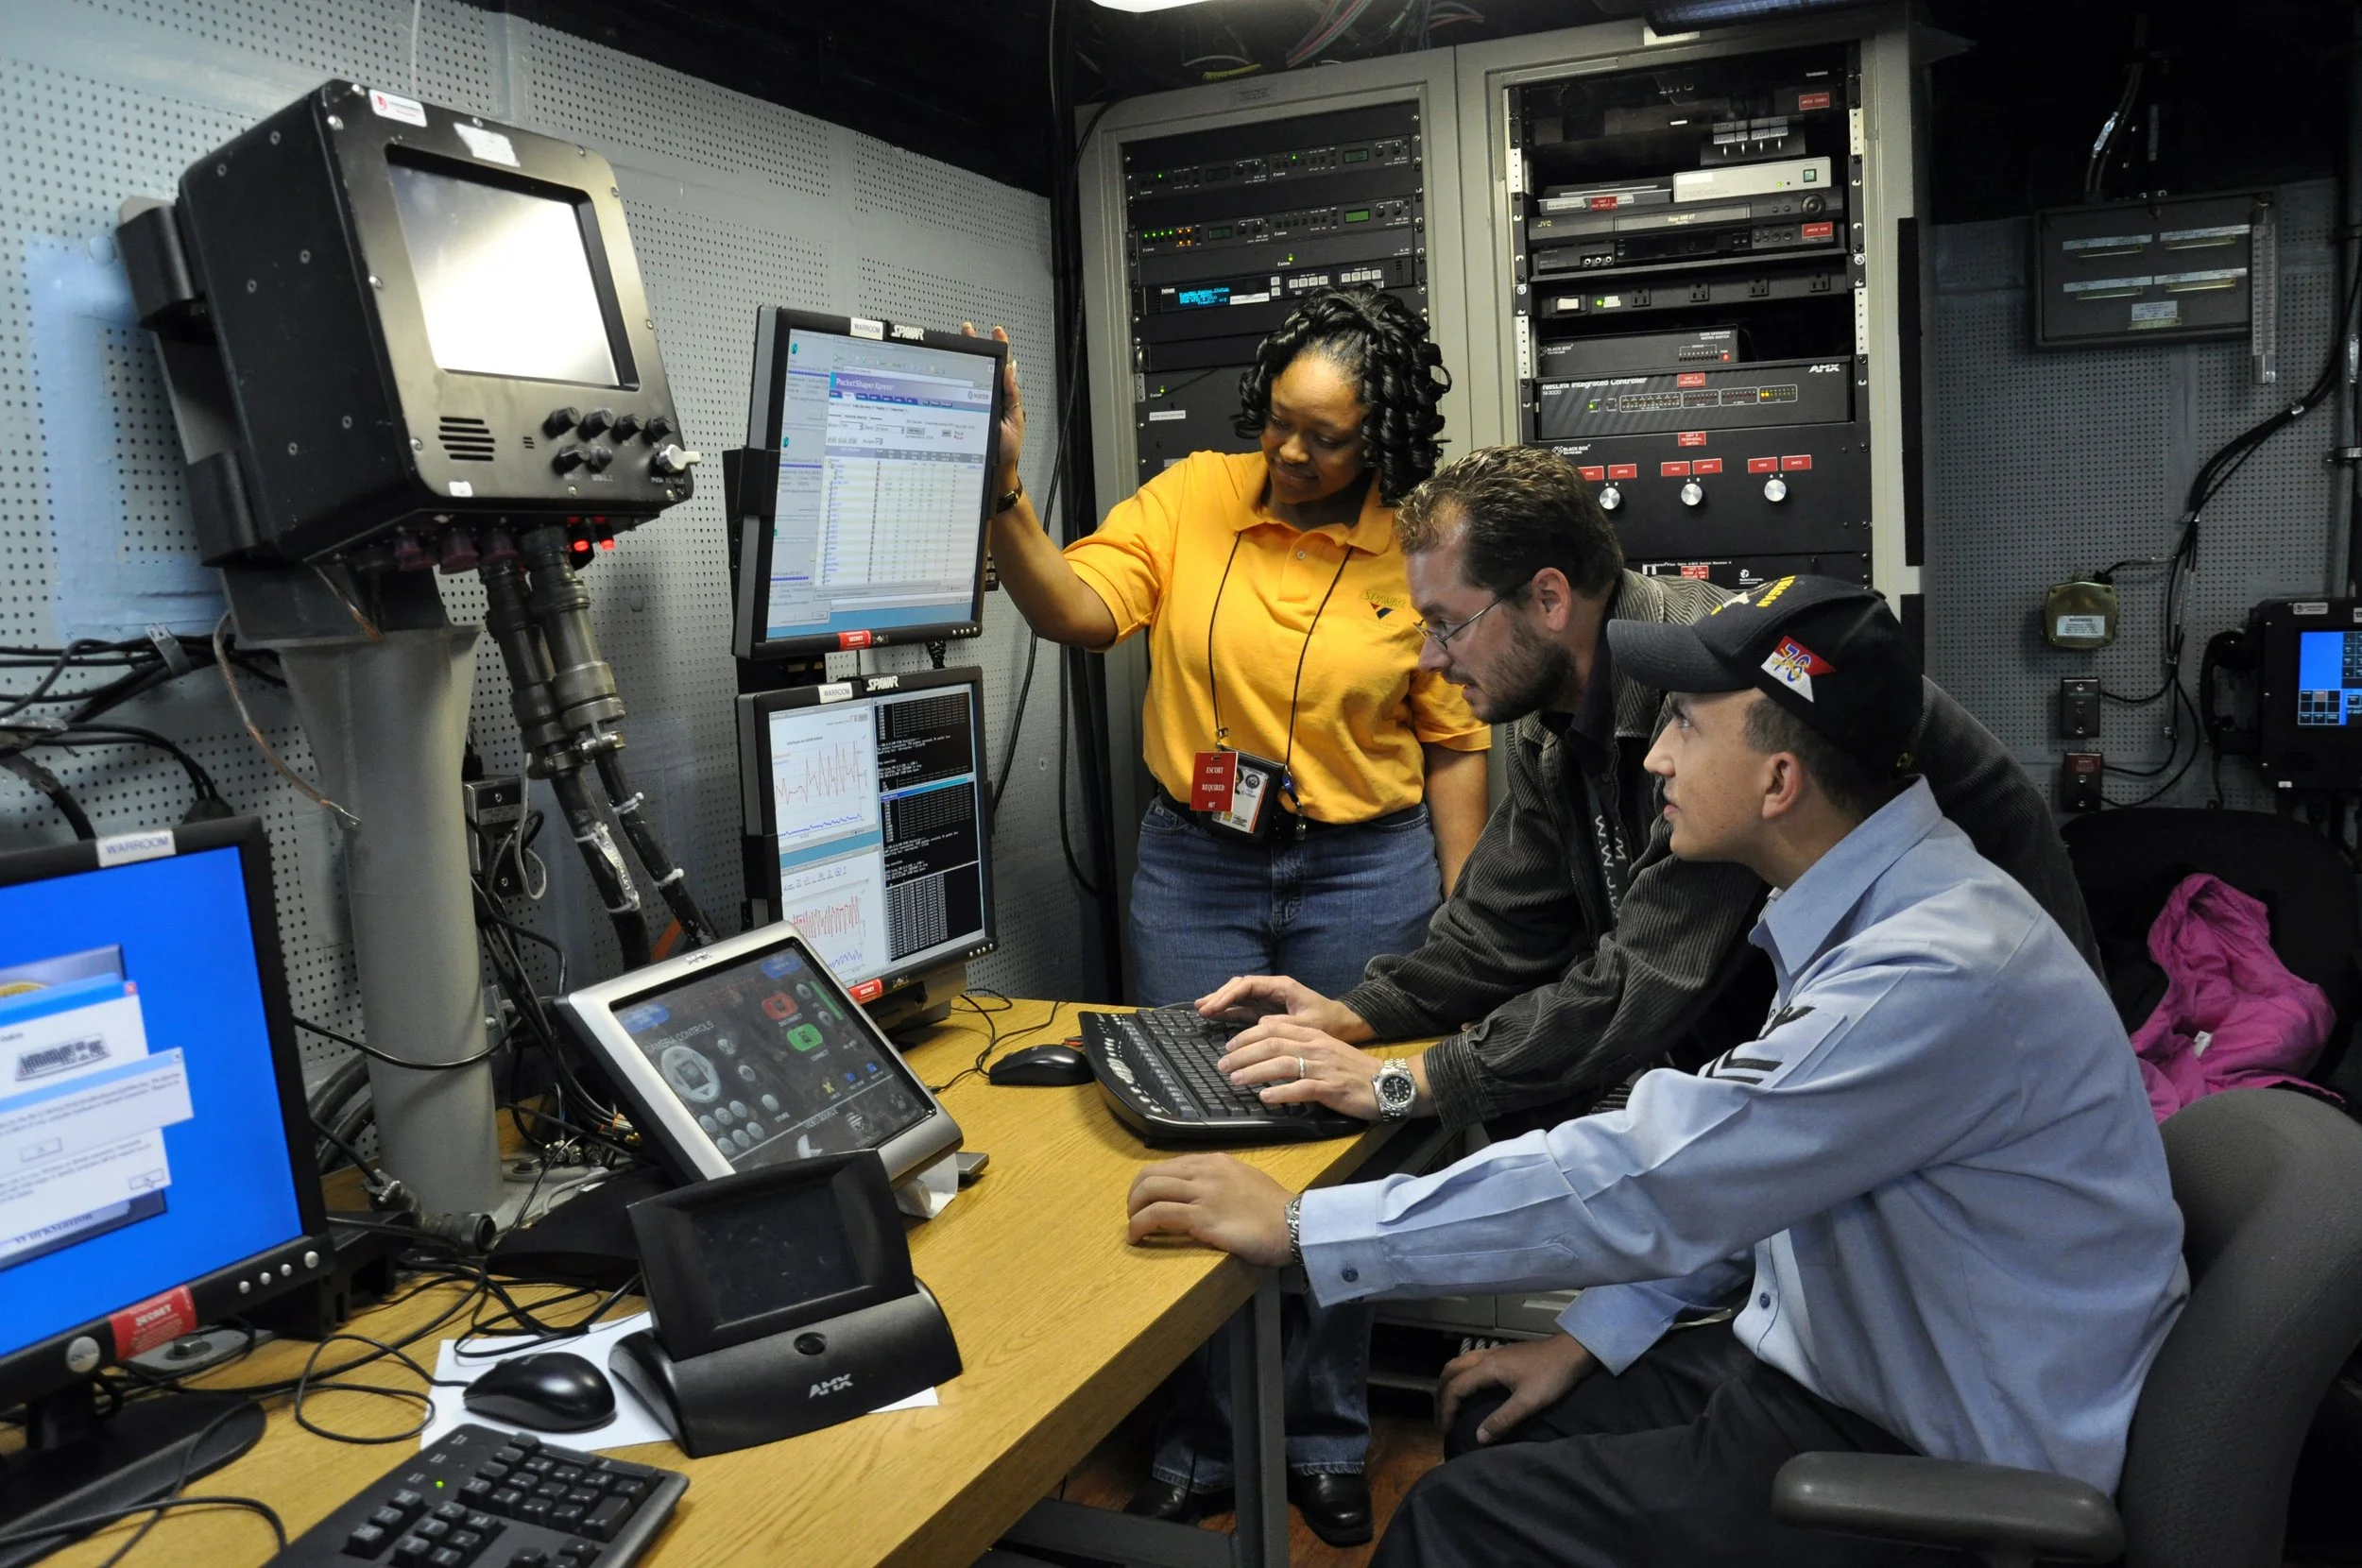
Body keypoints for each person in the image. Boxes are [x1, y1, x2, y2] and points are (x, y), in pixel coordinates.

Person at [1125, 576, 2190, 1567]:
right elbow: (1755, 1174)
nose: (1653, 759)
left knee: (1456, 1523)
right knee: (1492, 1422)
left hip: (1935, 1455)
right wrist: (1593, 1338)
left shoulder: (1932, 972)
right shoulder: (1880, 904)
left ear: (1780, 779)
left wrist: (1306, 1229)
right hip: (1849, 1362)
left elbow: (1662, 1173)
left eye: (1684, 723)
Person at [966, 287, 1492, 1542]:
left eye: (1327, 438)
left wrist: (1463, 917)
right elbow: (1077, 614)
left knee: (1328, 1140)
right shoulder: (1194, 495)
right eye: (1281, 425)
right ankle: (1204, 1434)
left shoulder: (1413, 545)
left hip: (1364, 866)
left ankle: (1323, 1430)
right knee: (1189, 1127)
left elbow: (1456, 744)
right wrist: (1002, 495)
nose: (1293, 456)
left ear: (1384, 440)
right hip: (1197, 860)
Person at [1194, 444, 2100, 1133]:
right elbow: (1502, 924)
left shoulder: (1722, 699)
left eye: (1448, 625)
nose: (1431, 660)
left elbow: (1648, 977)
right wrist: (1359, 1011)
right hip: (1839, 1066)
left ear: (1550, 599)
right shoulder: (1569, 704)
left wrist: (1411, 1080)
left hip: (1986, 1079)